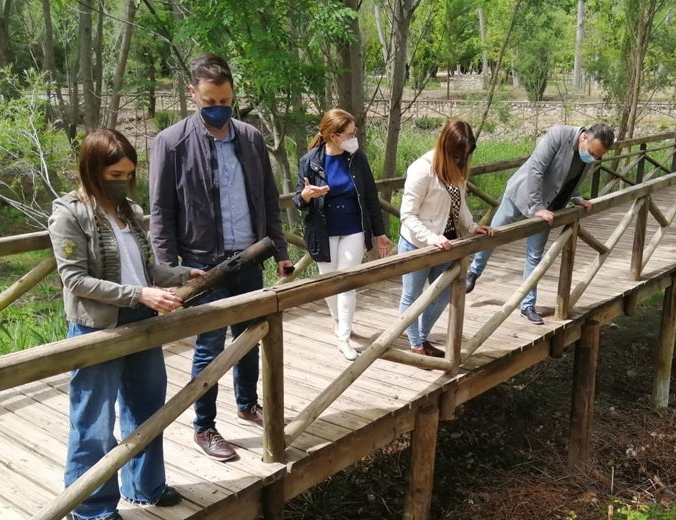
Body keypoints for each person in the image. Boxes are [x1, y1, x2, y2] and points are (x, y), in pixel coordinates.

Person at [48, 129, 203, 520]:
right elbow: (75, 279)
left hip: (140, 321)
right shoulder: (69, 213)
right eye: (115, 174)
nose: (123, 181)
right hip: (97, 328)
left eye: (129, 174)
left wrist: (185, 272)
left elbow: (148, 269)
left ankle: (145, 485)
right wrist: (140, 294)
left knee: (147, 409)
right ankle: (89, 504)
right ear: (93, 170)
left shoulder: (129, 211)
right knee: (93, 420)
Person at [149, 53, 293, 463]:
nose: (218, 108)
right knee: (209, 348)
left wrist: (280, 252)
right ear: (193, 94)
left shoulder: (249, 138)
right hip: (203, 266)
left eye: (225, 100)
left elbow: (268, 201)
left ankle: (248, 404)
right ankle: (204, 426)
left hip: (250, 258)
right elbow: (161, 213)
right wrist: (169, 274)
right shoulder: (171, 143)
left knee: (250, 340)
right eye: (210, 100)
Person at [465, 124, 615, 325]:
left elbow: (572, 177)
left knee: (535, 255)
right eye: (592, 152)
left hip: (548, 207)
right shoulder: (558, 135)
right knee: (494, 234)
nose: (593, 158)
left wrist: (576, 197)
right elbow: (536, 169)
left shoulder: (589, 151)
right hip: (521, 194)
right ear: (584, 137)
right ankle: (474, 271)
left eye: (597, 156)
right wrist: (536, 206)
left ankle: (527, 305)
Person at [293, 109, 392, 361]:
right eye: (349, 134)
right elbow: (298, 200)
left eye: (353, 133)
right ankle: (338, 321)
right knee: (329, 284)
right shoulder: (310, 161)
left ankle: (344, 338)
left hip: (354, 228)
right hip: (323, 230)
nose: (353, 138)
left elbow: (370, 197)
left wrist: (379, 233)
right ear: (333, 136)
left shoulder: (357, 158)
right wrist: (306, 196)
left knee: (347, 283)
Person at [398, 119, 495, 356]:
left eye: (464, 156)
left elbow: (458, 203)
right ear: (445, 146)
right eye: (457, 154)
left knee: (443, 293)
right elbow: (407, 215)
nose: (460, 160)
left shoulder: (458, 168)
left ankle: (421, 337)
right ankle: (415, 344)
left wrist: (472, 226)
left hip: (447, 243)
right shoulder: (422, 170)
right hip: (417, 243)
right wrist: (430, 237)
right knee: (412, 295)